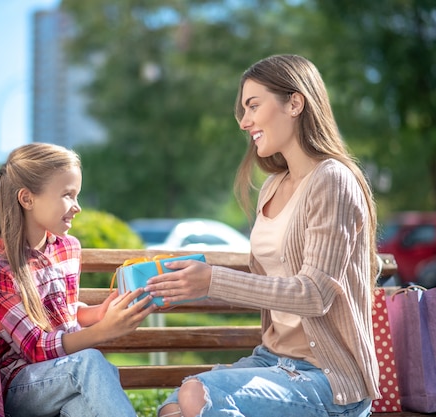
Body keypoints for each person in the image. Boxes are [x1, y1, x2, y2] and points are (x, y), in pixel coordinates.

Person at [145, 54, 381, 417]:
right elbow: (267, 282)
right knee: (172, 407)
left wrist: (213, 281)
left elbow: (315, 294)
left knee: (196, 398)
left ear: (295, 103)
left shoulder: (333, 180)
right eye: (243, 110)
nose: (244, 121)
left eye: (253, 105)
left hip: (328, 379)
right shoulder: (272, 186)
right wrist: (188, 280)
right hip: (273, 361)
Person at [0, 142, 157, 417]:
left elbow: (64, 313)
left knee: (81, 407)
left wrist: (98, 314)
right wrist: (104, 331)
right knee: (89, 364)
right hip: (16, 390)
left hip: (63, 378)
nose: (77, 207)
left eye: (77, 195)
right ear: (27, 199)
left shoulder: (68, 248)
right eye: (68, 195)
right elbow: (35, 348)